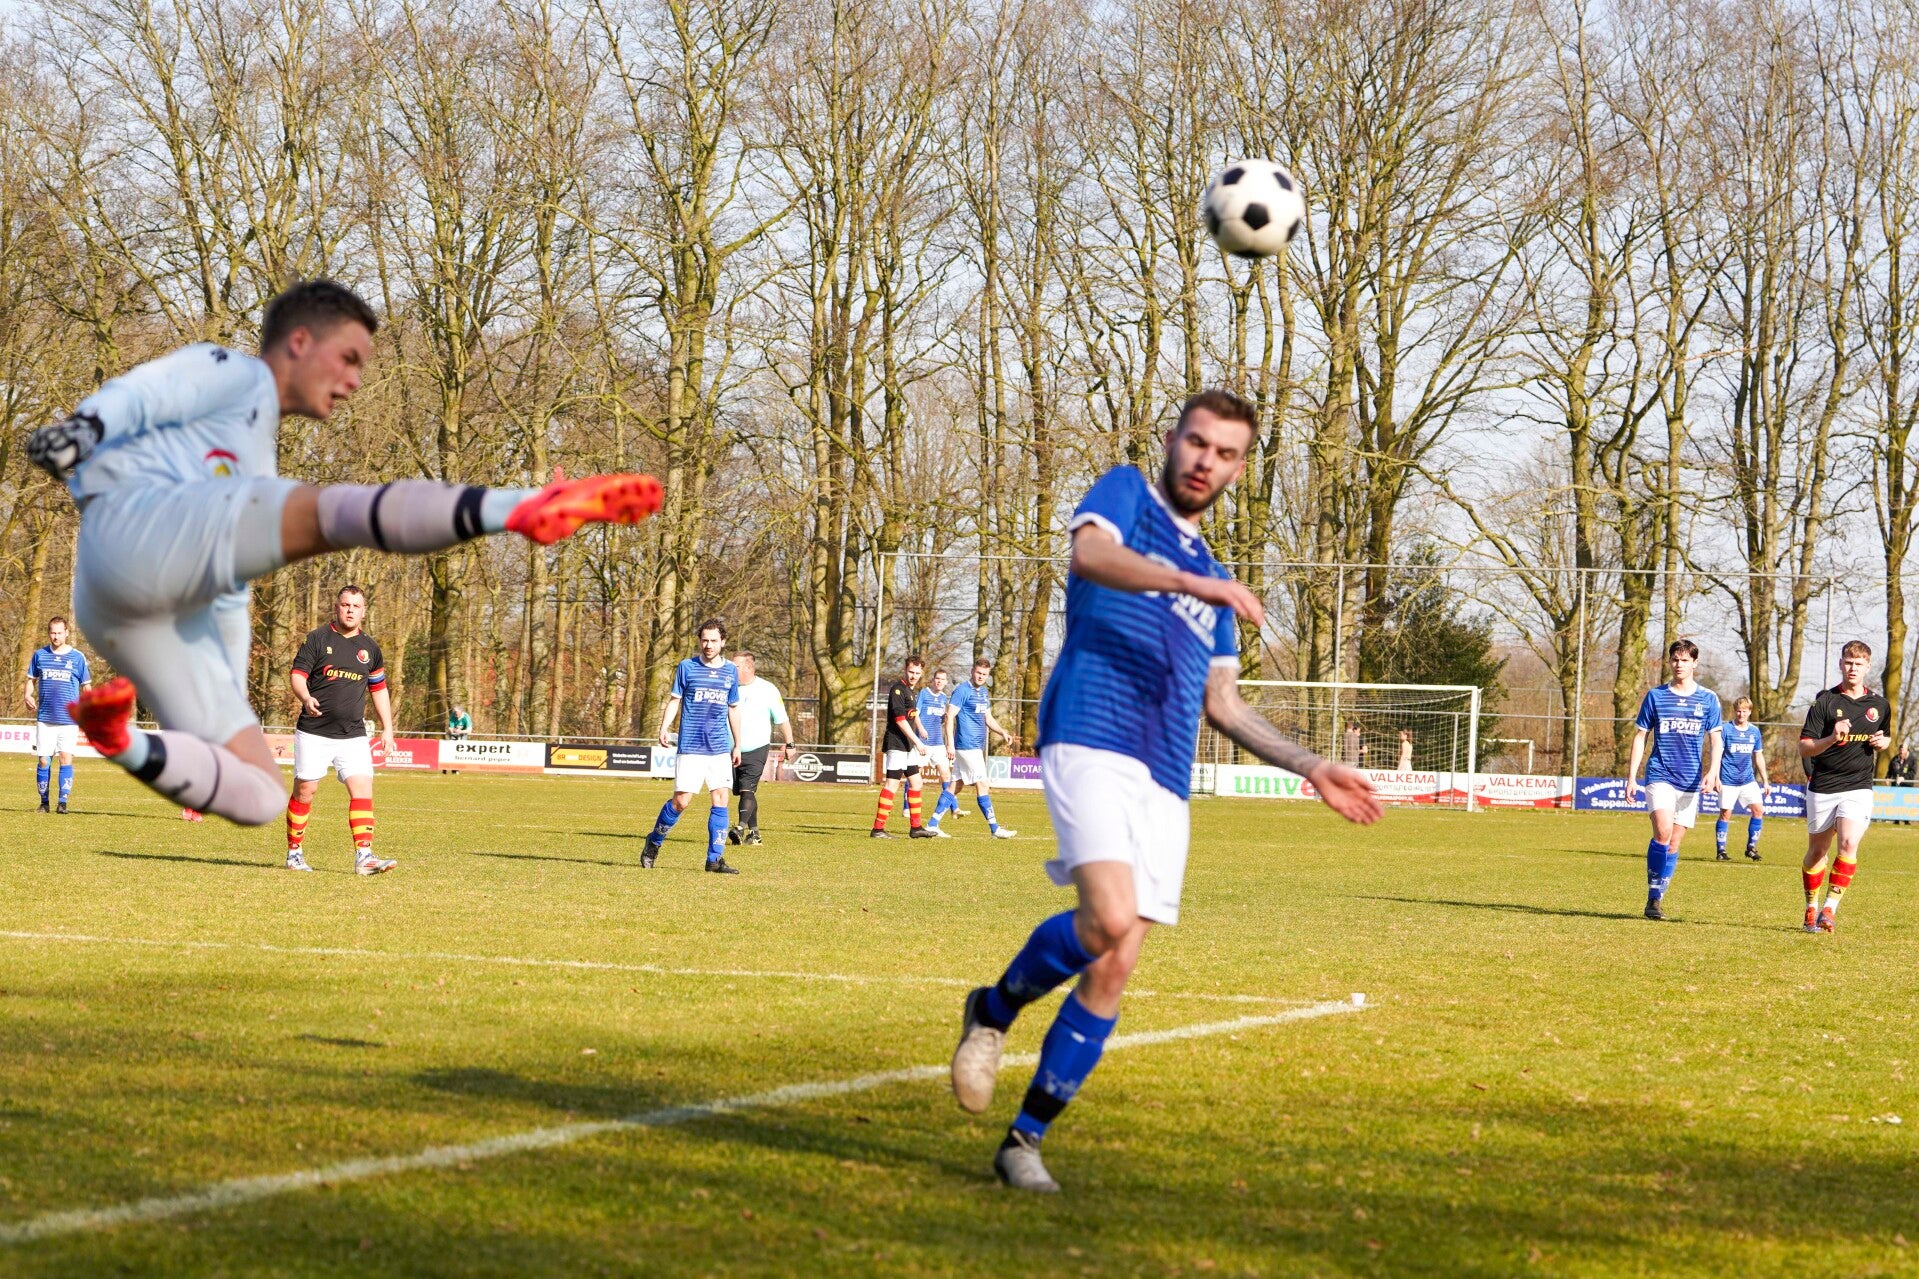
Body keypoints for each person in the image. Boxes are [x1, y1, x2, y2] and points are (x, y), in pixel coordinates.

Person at [947, 390, 1382, 1193]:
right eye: (1196, 442)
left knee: (1115, 962)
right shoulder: (1127, 496)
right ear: (1175, 439)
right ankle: (993, 1008)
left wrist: (1310, 764)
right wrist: (1193, 583)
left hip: (1166, 776)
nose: (1205, 461)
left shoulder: (1215, 580)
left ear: (1239, 469)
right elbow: (1089, 557)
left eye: (1225, 453)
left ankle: (1023, 1140)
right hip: (1089, 733)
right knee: (1107, 917)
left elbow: (1225, 705)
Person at [29, 279, 661, 825]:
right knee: (333, 512)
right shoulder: (235, 373)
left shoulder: (254, 442)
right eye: (350, 357)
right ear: (300, 342)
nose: (356, 380)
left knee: (258, 795)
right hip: (140, 533)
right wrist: (80, 431)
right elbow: (145, 394)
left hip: (130, 603)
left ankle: (117, 739)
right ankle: (518, 509)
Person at [283, 585, 395, 875]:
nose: (350, 610)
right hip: (314, 731)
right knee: (305, 791)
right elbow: (297, 676)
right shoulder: (318, 639)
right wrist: (305, 697)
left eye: (356, 606)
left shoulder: (370, 649)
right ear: (337, 607)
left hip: (353, 734)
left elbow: (379, 689)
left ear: (363, 611)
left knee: (362, 788)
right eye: (345, 605)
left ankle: (364, 856)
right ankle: (294, 853)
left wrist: (388, 728)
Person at [1624, 640, 1724, 921]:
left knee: (1674, 844)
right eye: (1675, 659)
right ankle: (1653, 897)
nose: (1679, 664)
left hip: (1690, 780)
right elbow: (1640, 736)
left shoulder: (1708, 699)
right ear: (1669, 662)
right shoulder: (1656, 696)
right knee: (1663, 831)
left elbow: (1716, 740)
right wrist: (1631, 777)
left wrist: (1713, 771)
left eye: (1685, 660)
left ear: (1695, 663)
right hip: (1660, 774)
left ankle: (1657, 898)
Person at [1799, 641, 1892, 933]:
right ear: (1841, 664)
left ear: (1867, 667)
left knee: (1849, 843)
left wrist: (1884, 742)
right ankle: (1811, 906)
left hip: (1858, 785)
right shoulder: (1825, 701)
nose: (1853, 668)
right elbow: (1804, 747)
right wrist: (1831, 738)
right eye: (1848, 662)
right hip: (1824, 785)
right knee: (1817, 852)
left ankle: (1829, 909)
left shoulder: (1880, 705)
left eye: (1858, 664)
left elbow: (1885, 736)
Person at [645, 619, 743, 874]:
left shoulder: (730, 671)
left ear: (723, 642)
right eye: (705, 640)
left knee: (721, 799)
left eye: (714, 641)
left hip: (719, 747)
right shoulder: (687, 667)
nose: (708, 645)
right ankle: (654, 841)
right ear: (700, 641)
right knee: (681, 802)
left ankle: (714, 860)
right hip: (690, 745)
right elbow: (674, 700)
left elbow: (733, 709)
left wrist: (737, 745)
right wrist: (664, 727)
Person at [946, 656, 1019, 839]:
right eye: (978, 673)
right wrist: (950, 743)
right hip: (967, 745)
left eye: (984, 674)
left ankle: (932, 824)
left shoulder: (983, 692)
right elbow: (949, 716)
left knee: (956, 785)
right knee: (983, 784)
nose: (981, 677)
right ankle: (995, 829)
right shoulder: (962, 690)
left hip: (976, 746)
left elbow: (988, 718)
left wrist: (1002, 731)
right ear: (972, 671)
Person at [24, 617, 90, 814]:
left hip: (69, 720)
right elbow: (30, 679)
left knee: (65, 758)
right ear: (48, 633)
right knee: (44, 760)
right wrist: (27, 695)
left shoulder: (77, 657)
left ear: (67, 633)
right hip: (45, 718)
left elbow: (86, 687)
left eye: (60, 632)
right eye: (53, 632)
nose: (56, 636)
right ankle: (44, 803)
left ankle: (62, 803)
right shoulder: (40, 655)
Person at [728, 650, 794, 847]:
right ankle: (754, 834)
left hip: (756, 748)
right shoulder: (728, 686)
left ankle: (739, 828)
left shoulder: (768, 689)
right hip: (729, 749)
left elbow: (782, 719)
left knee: (747, 788)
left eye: (735, 666)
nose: (730, 669)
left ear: (748, 667)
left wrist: (790, 743)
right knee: (744, 792)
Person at [872, 656, 936, 839]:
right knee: (892, 784)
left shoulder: (910, 691)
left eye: (917, 673)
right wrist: (917, 741)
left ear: (921, 673)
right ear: (905, 670)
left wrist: (920, 728)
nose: (914, 676)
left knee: (916, 782)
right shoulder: (898, 690)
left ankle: (916, 828)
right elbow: (900, 720)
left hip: (907, 745)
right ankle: (878, 829)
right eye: (911, 672)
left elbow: (912, 715)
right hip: (897, 743)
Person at [1714, 696, 1769, 862]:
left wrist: (1765, 780)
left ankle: (1751, 848)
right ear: (1734, 711)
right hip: (1728, 779)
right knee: (1726, 814)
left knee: (1758, 810)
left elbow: (1758, 756)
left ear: (1749, 712)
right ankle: (1721, 850)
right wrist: (1716, 777)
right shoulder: (1726, 729)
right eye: (1738, 711)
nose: (1741, 714)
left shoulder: (1754, 731)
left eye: (1744, 711)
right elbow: (1717, 754)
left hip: (1748, 780)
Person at [918, 668, 956, 836]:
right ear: (933, 680)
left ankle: (954, 808)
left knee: (947, 775)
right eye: (937, 678)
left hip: (938, 742)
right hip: (923, 742)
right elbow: (916, 714)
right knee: (916, 774)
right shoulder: (924, 693)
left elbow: (940, 720)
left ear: (946, 682)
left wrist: (944, 719)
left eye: (942, 679)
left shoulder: (943, 698)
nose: (940, 681)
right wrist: (921, 730)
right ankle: (906, 808)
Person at [1887, 741, 1917, 826]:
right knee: (1896, 802)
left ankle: (1906, 820)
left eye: (1903, 751)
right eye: (1900, 751)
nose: (1901, 753)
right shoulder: (1895, 759)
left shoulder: (1912, 760)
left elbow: (1913, 772)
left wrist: (1904, 778)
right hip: (1896, 785)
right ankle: (1896, 820)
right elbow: (1890, 770)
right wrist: (1887, 777)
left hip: (1907, 786)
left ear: (1907, 750)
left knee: (1906, 803)